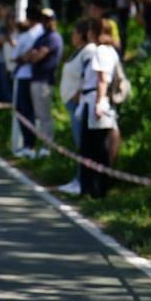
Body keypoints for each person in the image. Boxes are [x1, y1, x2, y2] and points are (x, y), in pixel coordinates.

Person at [79, 18, 121, 199]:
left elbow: (102, 79)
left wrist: (98, 103)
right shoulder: (110, 51)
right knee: (97, 148)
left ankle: (95, 189)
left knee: (93, 148)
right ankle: (95, 188)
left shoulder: (101, 51)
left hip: (96, 101)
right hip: (100, 101)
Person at [56, 20, 94, 196]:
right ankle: (80, 179)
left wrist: (79, 96)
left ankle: (82, 182)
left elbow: (89, 76)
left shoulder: (89, 52)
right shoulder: (80, 51)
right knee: (81, 145)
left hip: (80, 104)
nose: (72, 36)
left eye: (75, 32)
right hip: (73, 104)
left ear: (83, 34)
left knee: (83, 145)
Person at [24, 8, 63, 157]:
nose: (46, 22)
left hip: (45, 80)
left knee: (44, 115)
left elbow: (37, 56)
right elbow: (29, 54)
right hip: (36, 79)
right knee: (39, 115)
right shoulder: (41, 37)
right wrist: (32, 55)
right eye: (44, 19)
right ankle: (41, 145)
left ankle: (47, 146)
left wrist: (34, 55)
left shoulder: (53, 37)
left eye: (49, 19)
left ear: (54, 20)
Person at [9, 13, 44, 156]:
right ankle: (29, 144)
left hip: (24, 77)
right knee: (27, 111)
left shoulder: (26, 36)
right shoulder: (39, 34)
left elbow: (14, 57)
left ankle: (29, 145)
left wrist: (20, 57)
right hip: (31, 76)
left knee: (23, 110)